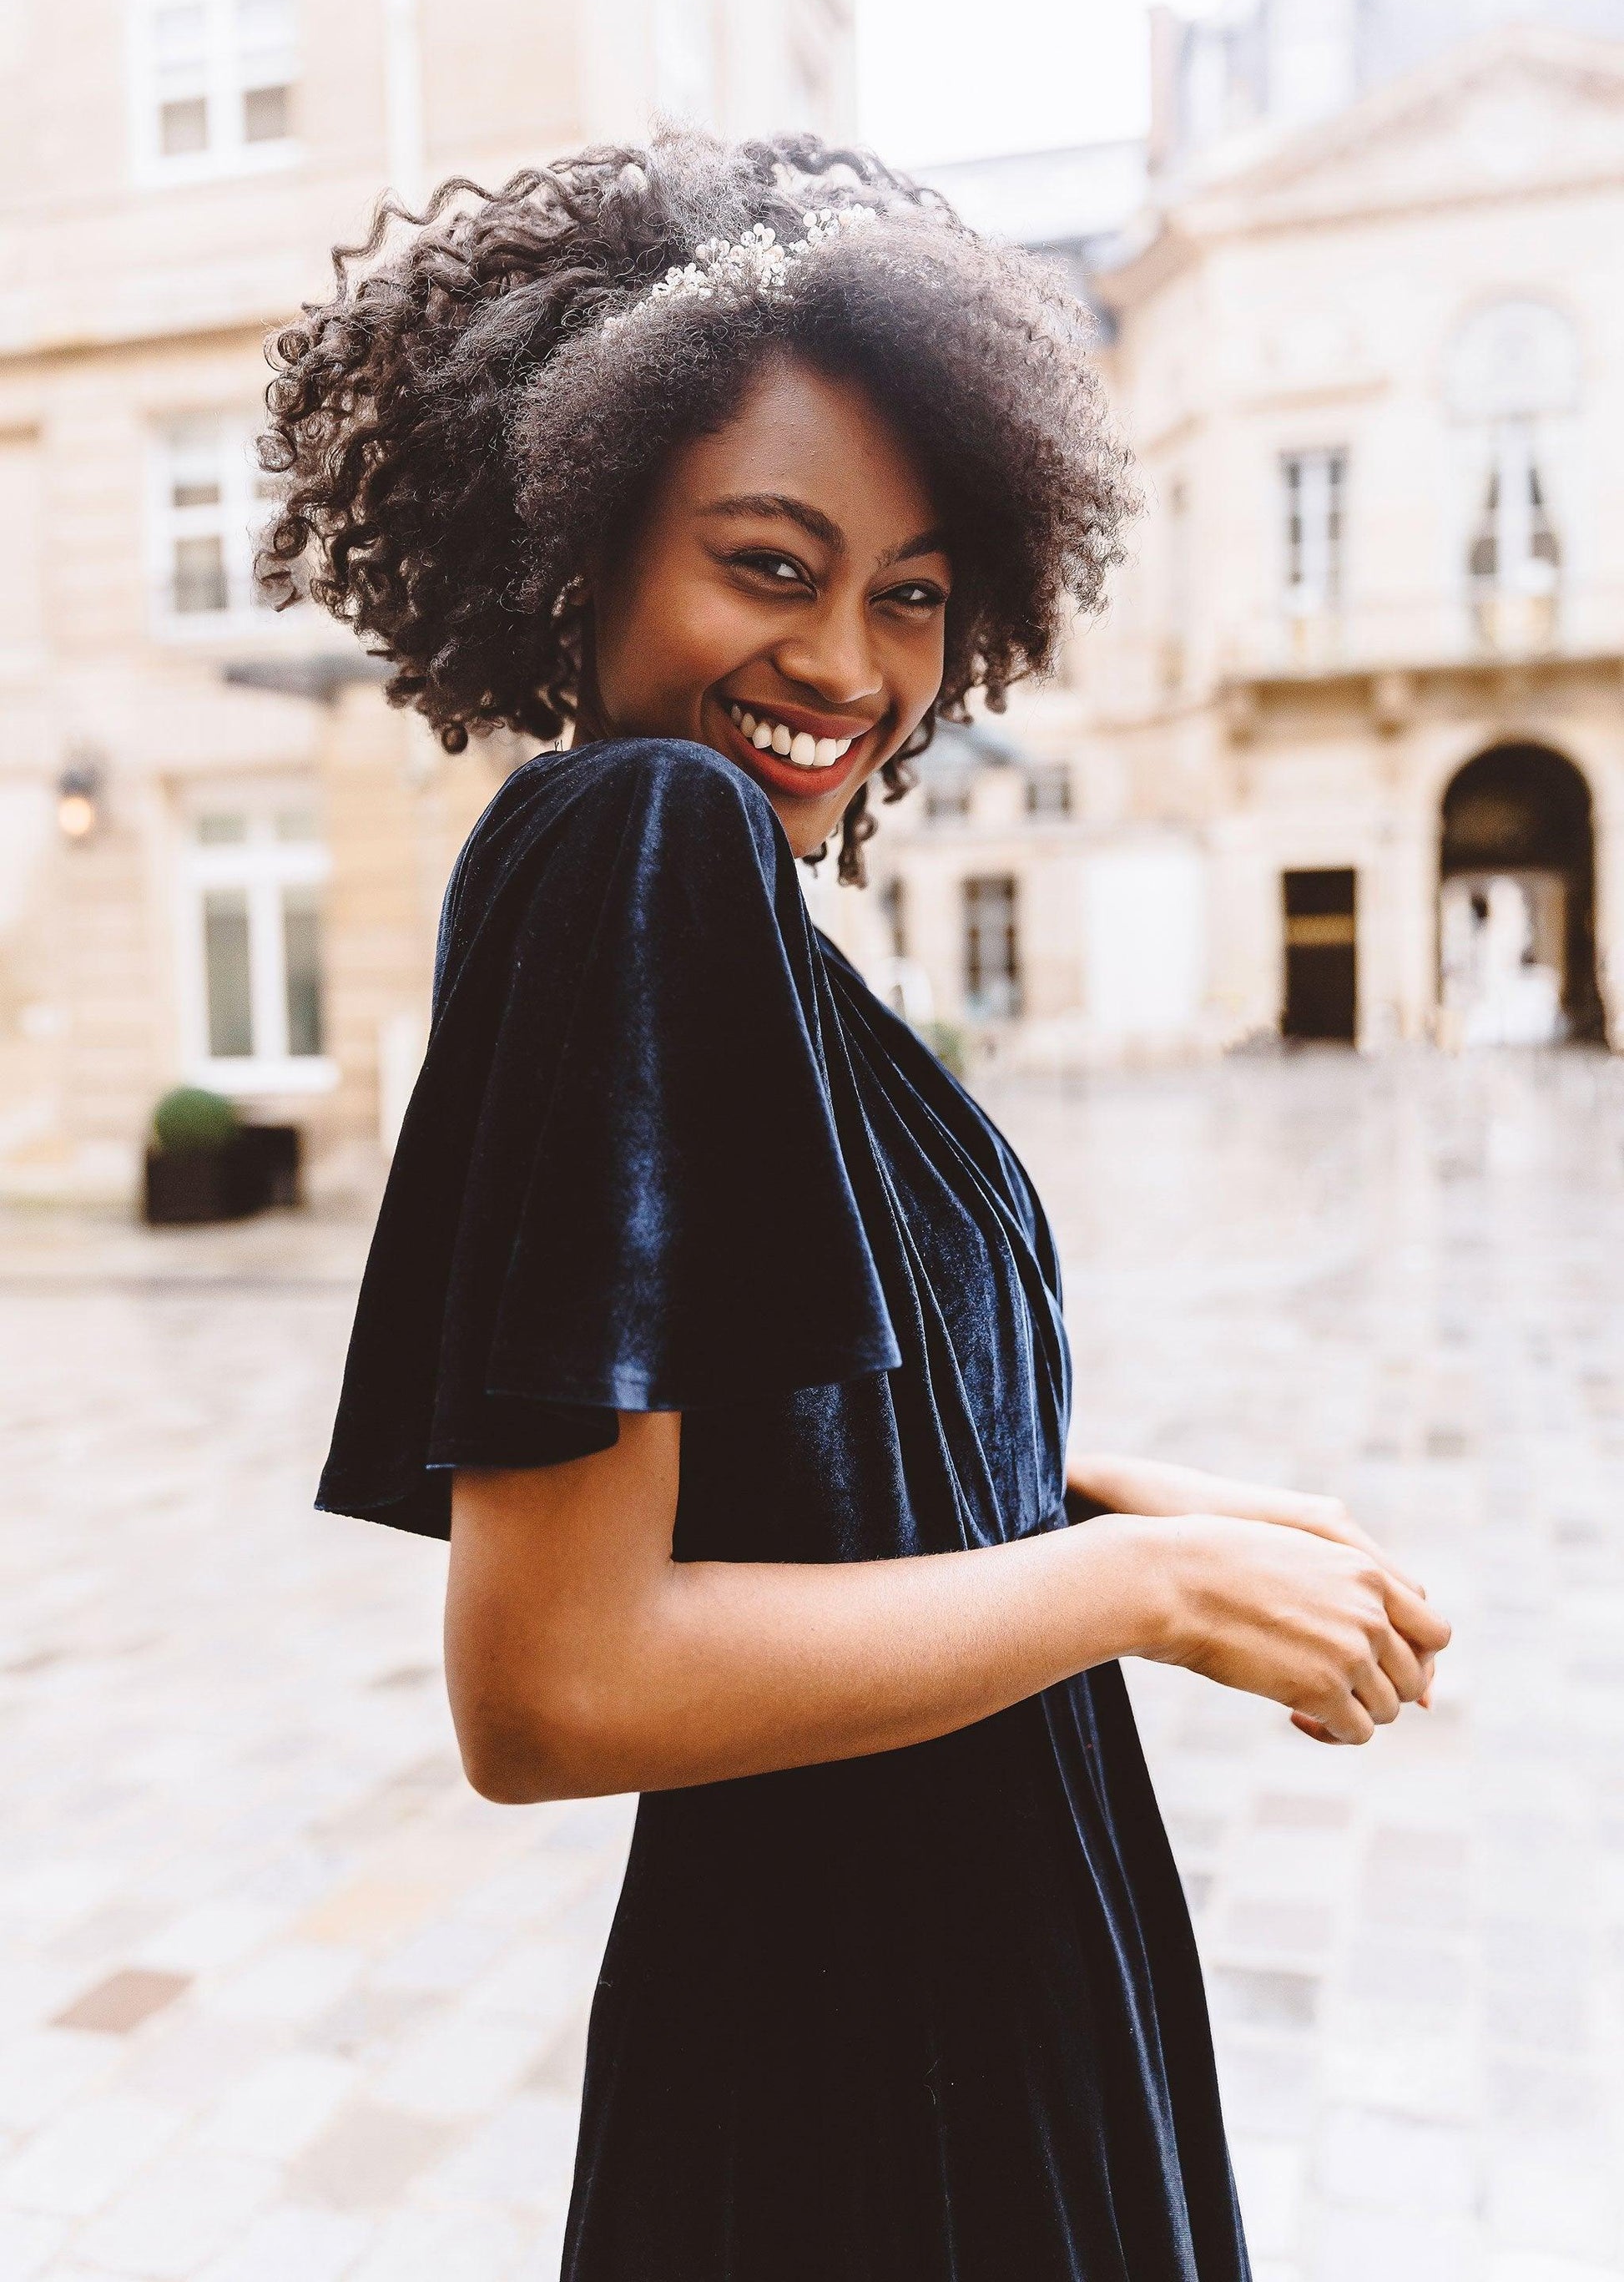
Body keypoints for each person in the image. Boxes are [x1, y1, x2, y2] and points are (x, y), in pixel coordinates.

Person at [264, 131, 1450, 2281]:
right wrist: (1153, 1592)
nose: (848, 660)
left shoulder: (678, 890)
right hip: (878, 2056)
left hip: (918, 1981)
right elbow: (556, 1686)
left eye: (908, 593)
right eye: (768, 563)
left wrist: (1121, 1497)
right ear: (585, 544)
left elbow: (782, 1454)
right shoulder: (649, 845)